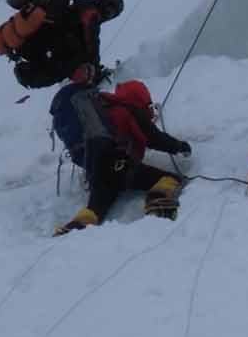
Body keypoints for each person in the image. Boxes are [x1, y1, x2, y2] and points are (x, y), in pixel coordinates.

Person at [52, 79, 193, 235]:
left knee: (96, 208)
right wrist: (180, 147)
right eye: (148, 104)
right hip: (119, 165)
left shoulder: (104, 111)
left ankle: (75, 226)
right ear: (140, 99)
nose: (150, 110)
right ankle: (158, 200)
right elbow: (155, 139)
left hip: (96, 169)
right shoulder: (130, 110)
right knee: (170, 179)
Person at [0, 0, 124, 89]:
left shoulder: (78, 3)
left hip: (42, 40)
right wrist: (95, 68)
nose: (109, 14)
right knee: (68, 65)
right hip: (52, 42)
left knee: (66, 61)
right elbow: (91, 43)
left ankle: (27, 70)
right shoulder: (92, 13)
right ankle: (28, 73)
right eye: (111, 12)